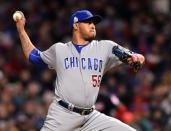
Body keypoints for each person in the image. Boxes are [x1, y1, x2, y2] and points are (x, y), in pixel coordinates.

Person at [14, 9, 145, 131]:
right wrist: (21, 30)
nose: (93, 25)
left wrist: (136, 58)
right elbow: (34, 56)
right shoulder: (59, 49)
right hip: (62, 115)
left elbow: (137, 57)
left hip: (91, 117)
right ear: (76, 25)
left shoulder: (105, 47)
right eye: (88, 22)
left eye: (94, 23)